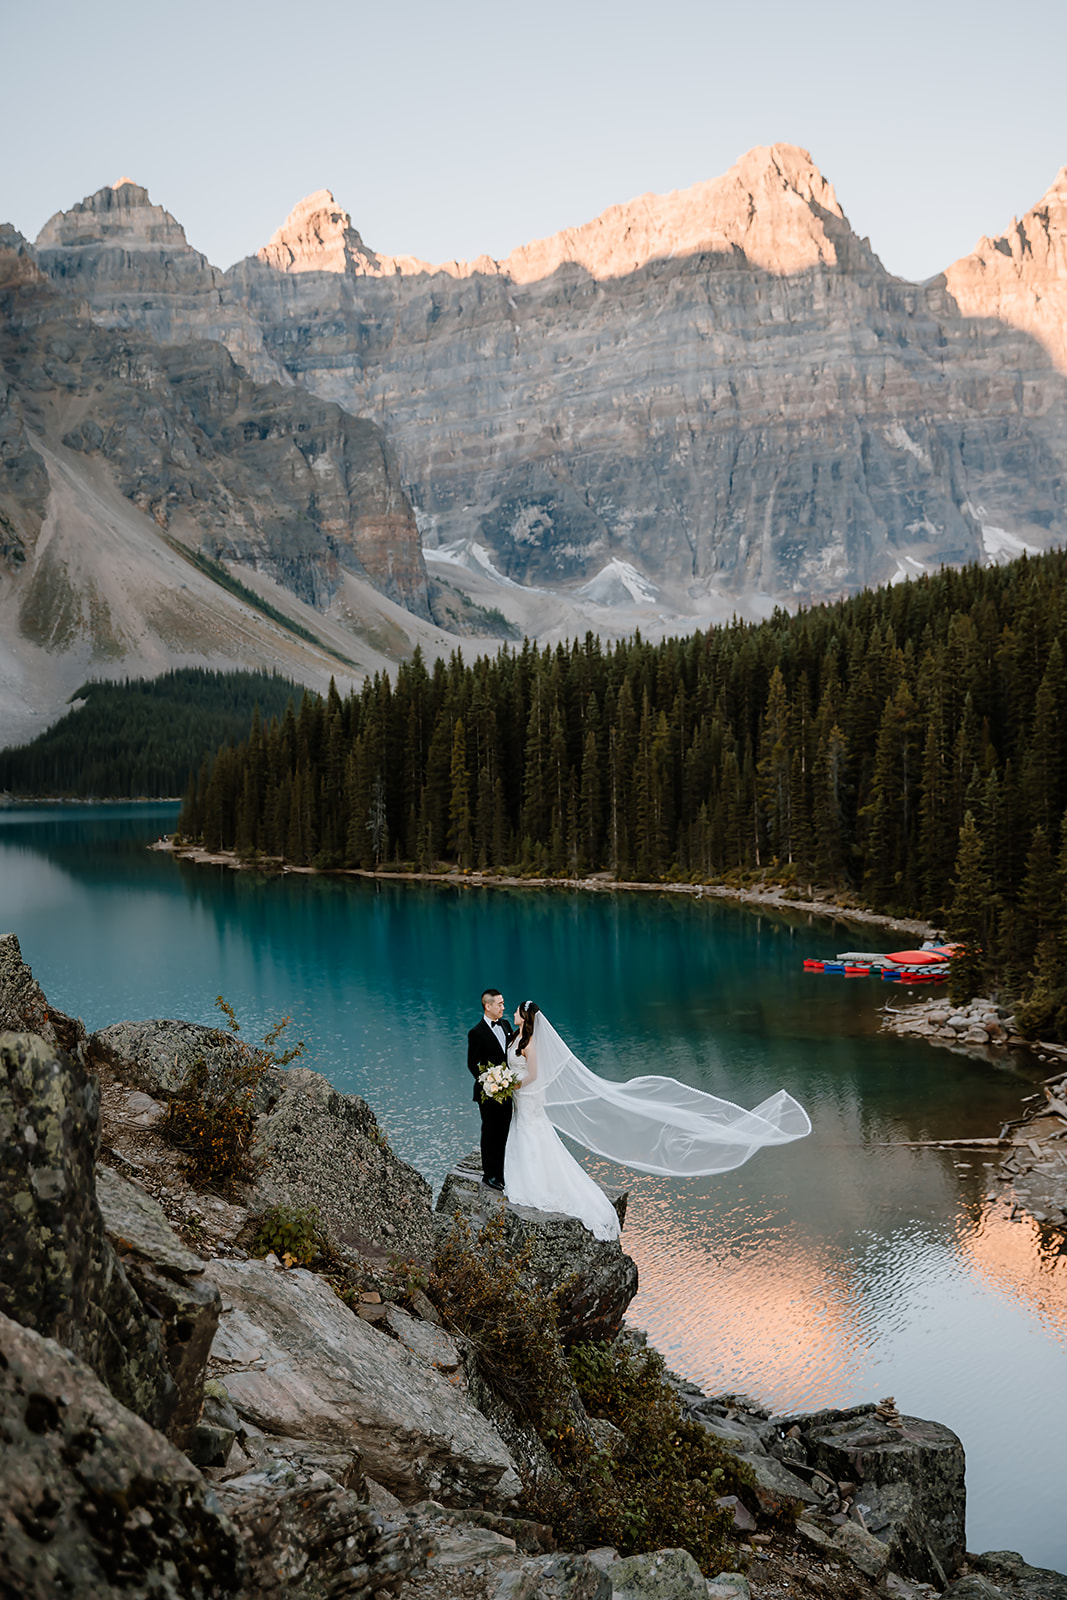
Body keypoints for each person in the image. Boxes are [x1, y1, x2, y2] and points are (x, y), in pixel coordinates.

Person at [502, 1000, 812, 1241]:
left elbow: (534, 1075)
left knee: (535, 1137)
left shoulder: (531, 1043)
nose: (512, 1012)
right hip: (521, 1099)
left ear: (525, 1017)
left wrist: (510, 1085)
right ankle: (525, 1177)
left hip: (527, 1097)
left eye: (516, 1011)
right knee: (527, 1136)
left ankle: (539, 1186)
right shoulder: (515, 1035)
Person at [467, 987, 515, 1191]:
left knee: (505, 1131)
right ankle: (490, 1175)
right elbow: (472, 1064)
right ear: (488, 1006)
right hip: (488, 1093)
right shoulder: (476, 1032)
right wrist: (488, 1081)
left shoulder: (505, 1024)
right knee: (490, 1132)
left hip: (507, 1090)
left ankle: (502, 1172)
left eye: (503, 1003)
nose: (503, 1007)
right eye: (500, 1004)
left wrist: (506, 1081)